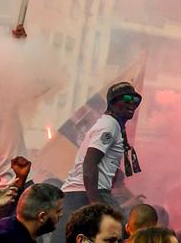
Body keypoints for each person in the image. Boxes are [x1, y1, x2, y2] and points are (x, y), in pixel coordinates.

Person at [55, 82, 143, 243]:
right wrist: (96, 204)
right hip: (85, 193)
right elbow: (90, 163)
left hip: (80, 194)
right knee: (120, 232)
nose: (132, 103)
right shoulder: (109, 125)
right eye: (127, 98)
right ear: (112, 102)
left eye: (136, 100)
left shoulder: (112, 124)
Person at [0, 183, 64, 243]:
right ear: (42, 217)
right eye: (58, 211)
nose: (61, 215)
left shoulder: (13, 228)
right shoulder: (6, 238)